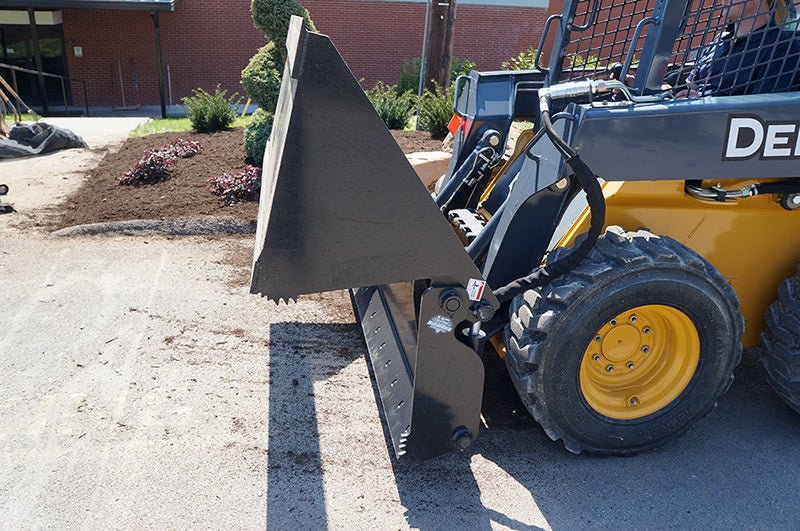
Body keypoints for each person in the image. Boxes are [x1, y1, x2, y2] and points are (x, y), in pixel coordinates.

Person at [676, 0, 800, 97]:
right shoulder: (718, 42)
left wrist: (700, 101)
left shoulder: (783, 48)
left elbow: (763, 111)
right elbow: (692, 85)